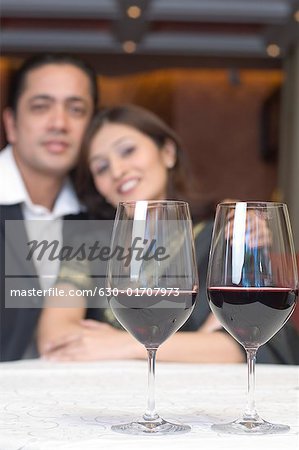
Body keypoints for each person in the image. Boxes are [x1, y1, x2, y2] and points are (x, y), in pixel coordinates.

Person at [37, 105, 298, 364]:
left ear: (168, 152)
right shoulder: (90, 242)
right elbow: (55, 336)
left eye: (128, 150)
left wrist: (124, 345)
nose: (117, 171)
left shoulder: (224, 233)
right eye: (101, 167)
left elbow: (250, 342)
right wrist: (193, 345)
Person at [0, 53, 99, 361]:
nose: (59, 123)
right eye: (41, 107)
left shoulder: (101, 210)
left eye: (76, 109)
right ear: (12, 123)